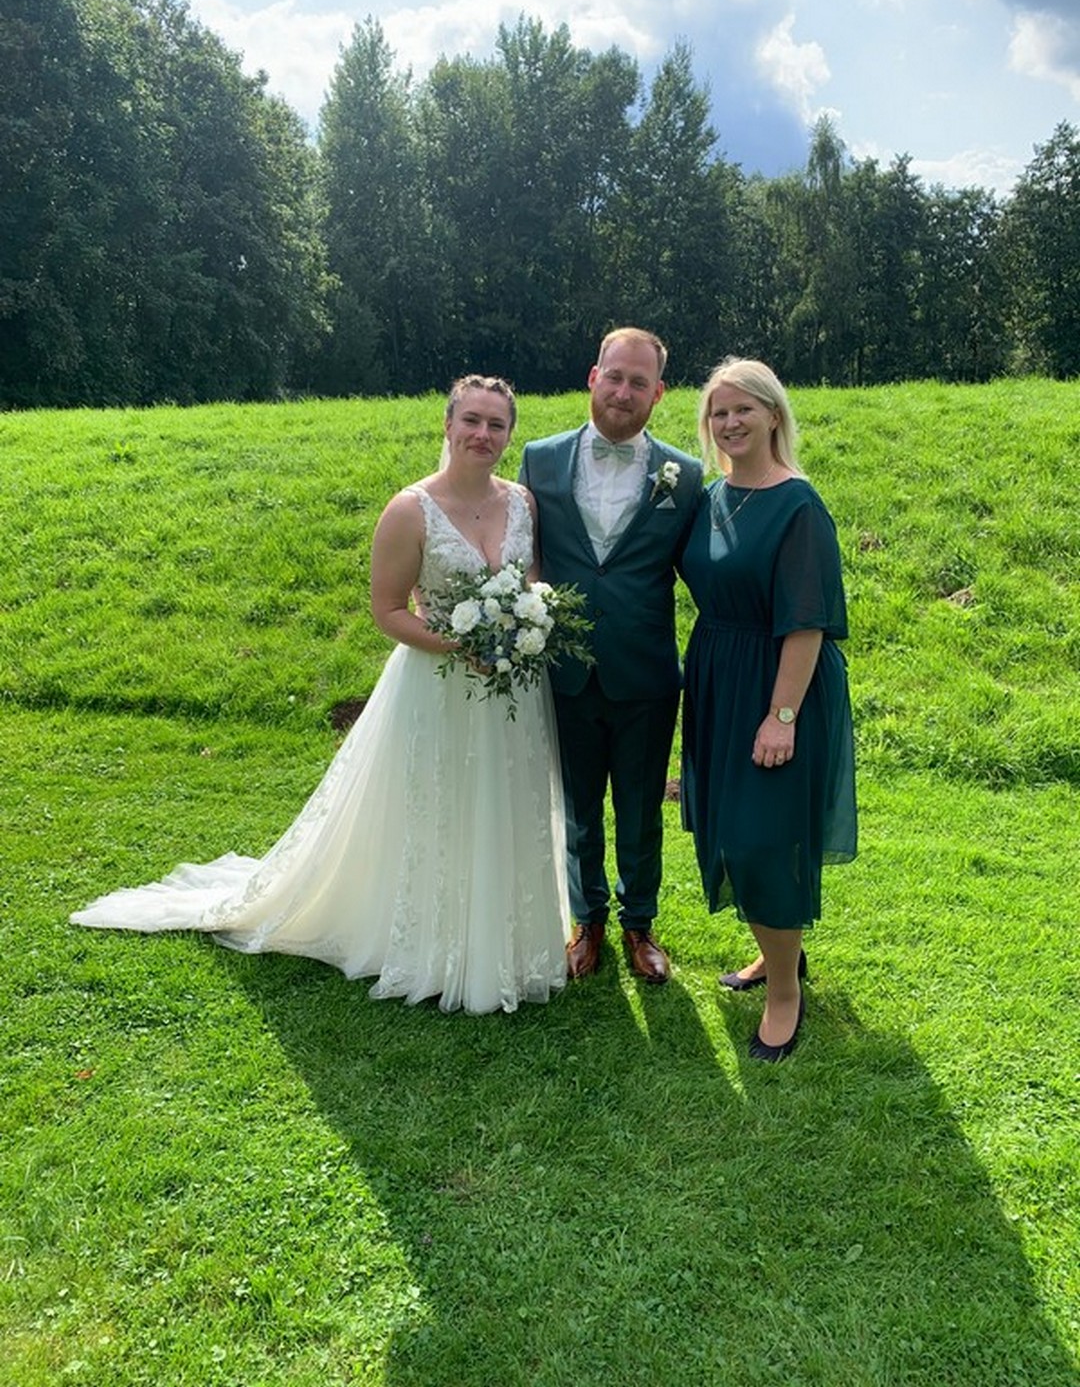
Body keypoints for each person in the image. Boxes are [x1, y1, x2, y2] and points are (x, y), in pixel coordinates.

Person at [71, 375, 570, 1015]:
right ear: (447, 425)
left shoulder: (523, 502)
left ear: (509, 434)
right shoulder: (410, 509)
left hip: (509, 691)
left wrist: (523, 626)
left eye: (496, 425)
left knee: (502, 799)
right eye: (471, 420)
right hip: (438, 685)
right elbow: (387, 610)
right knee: (437, 806)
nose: (483, 435)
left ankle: (504, 939)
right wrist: (458, 646)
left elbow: (530, 583)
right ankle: (433, 942)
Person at [679, 357, 857, 1060]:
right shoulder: (711, 497)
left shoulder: (798, 504)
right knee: (728, 829)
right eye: (719, 413)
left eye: (743, 409)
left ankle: (785, 991)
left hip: (779, 681)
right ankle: (777, 956)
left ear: (774, 415)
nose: (730, 423)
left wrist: (780, 716)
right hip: (719, 677)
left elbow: (807, 620)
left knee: (761, 837)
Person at [519, 328, 703, 985]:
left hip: (646, 672)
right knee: (576, 807)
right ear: (593, 377)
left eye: (639, 382)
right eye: (614, 376)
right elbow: (521, 554)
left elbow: (705, 570)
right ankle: (586, 921)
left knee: (640, 806)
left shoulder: (686, 477)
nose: (624, 391)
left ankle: (640, 924)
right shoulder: (539, 461)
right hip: (563, 670)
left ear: (659, 392)